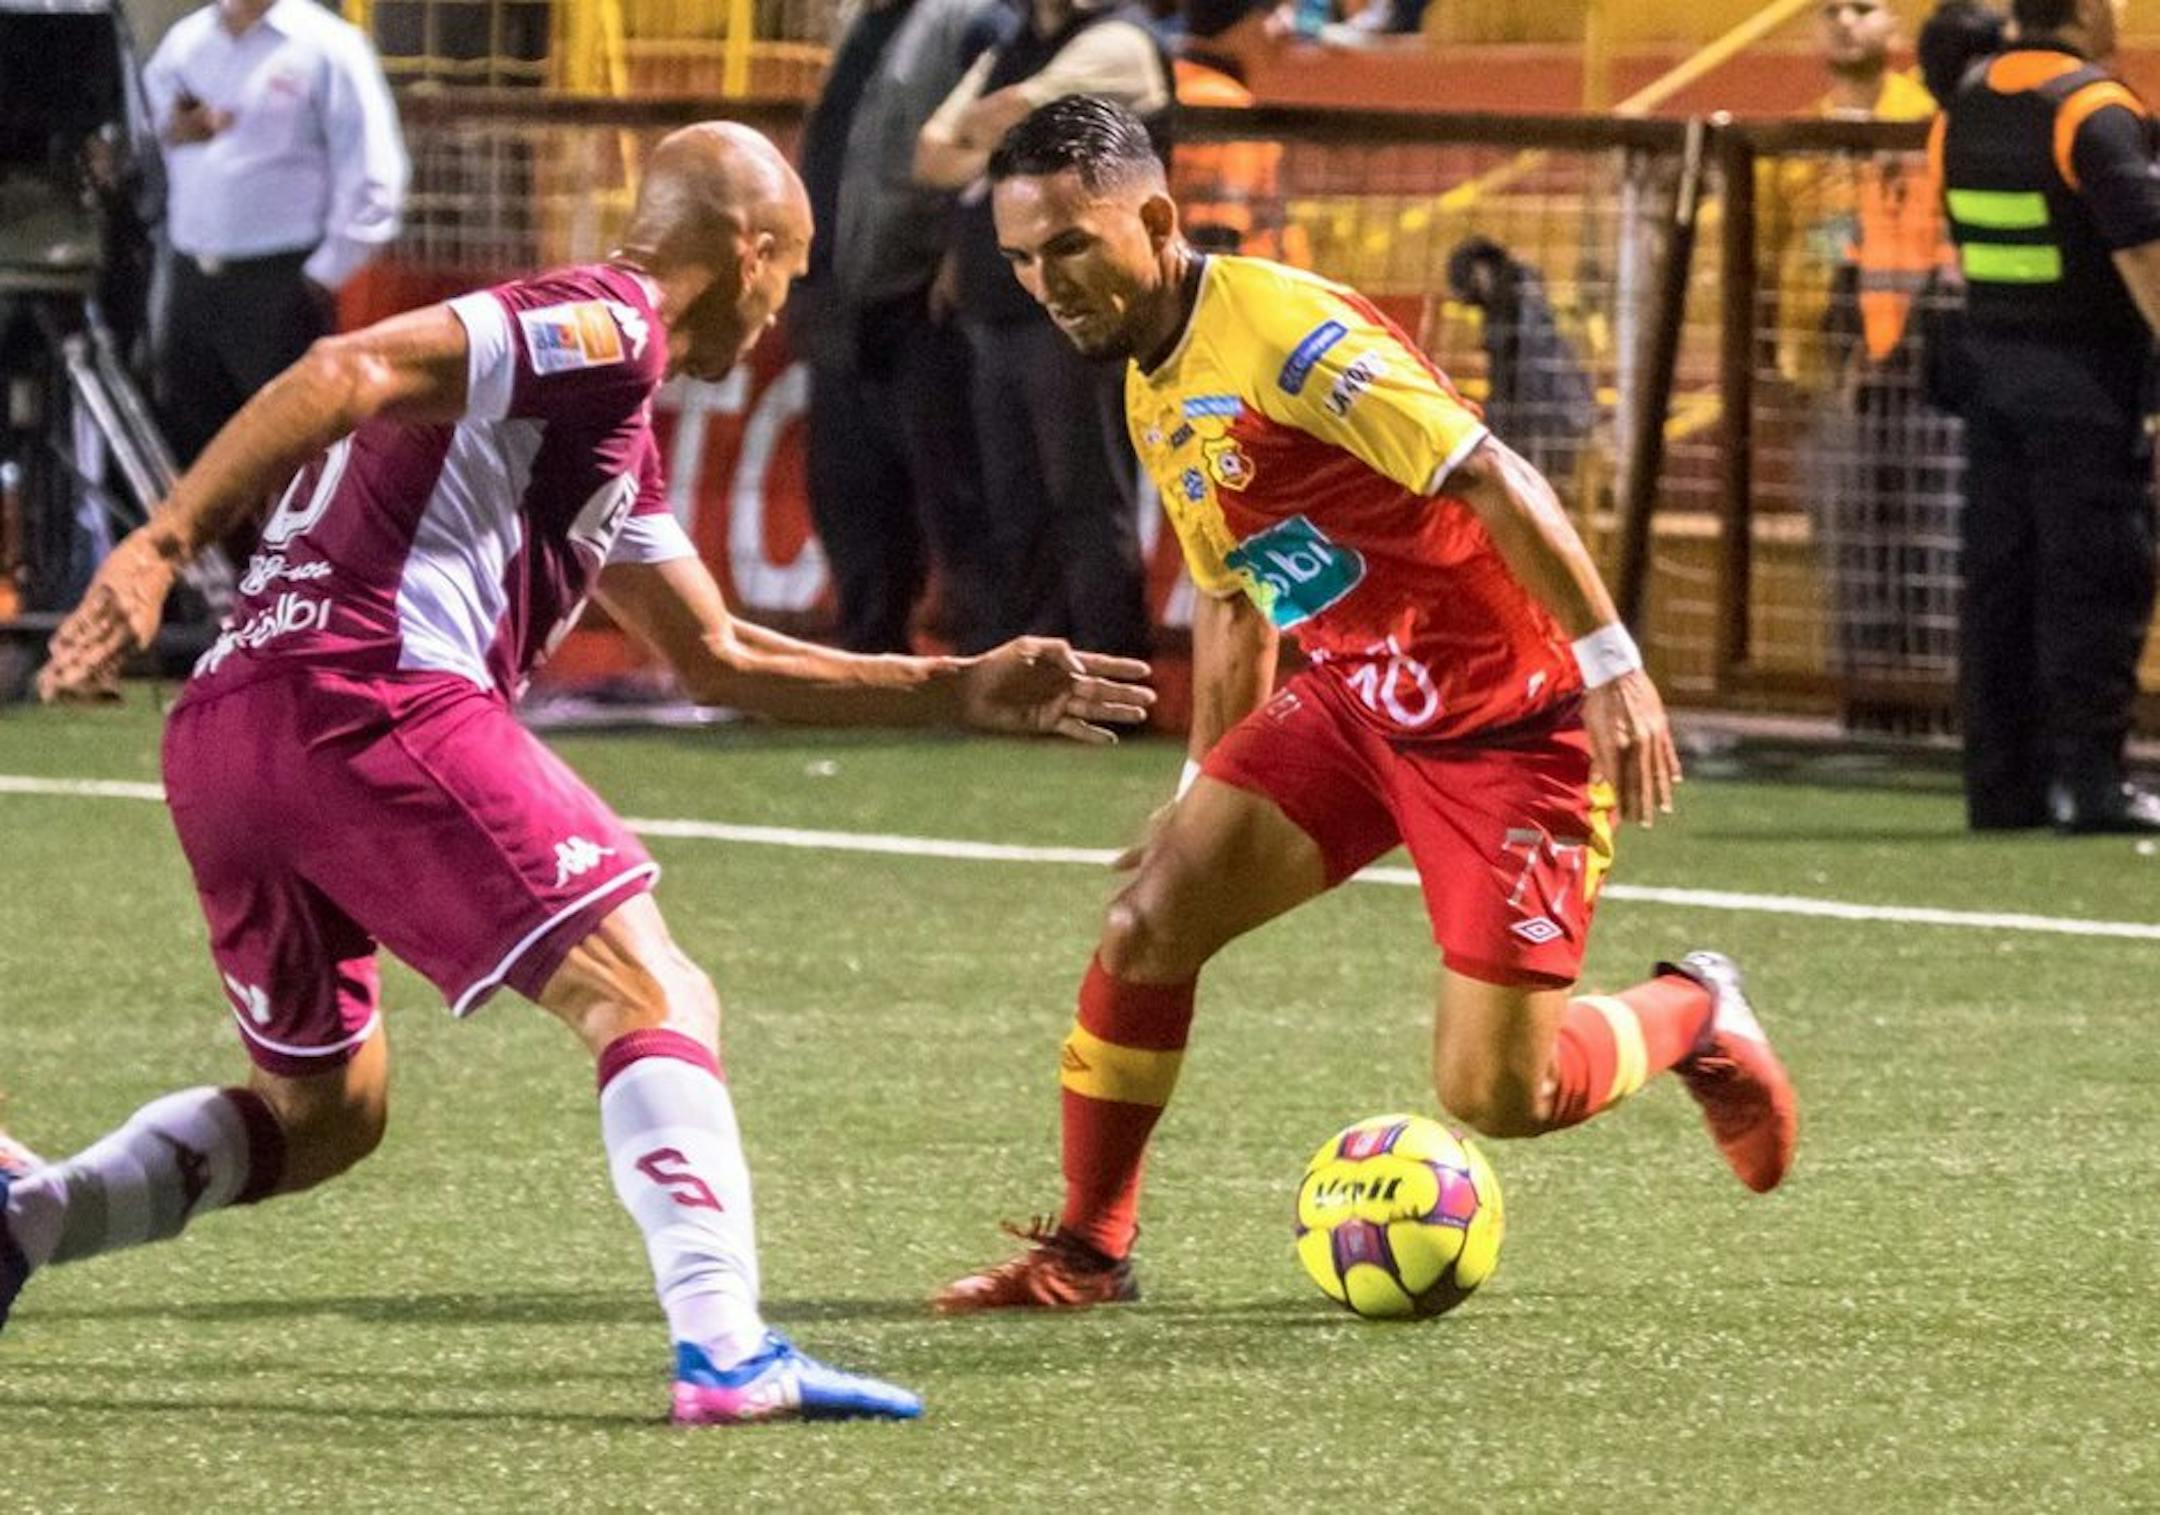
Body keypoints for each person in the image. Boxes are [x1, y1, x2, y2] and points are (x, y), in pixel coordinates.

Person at [1, 123, 1155, 1420]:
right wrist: (157, 541)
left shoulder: (596, 420)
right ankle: (726, 1348)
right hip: (364, 691)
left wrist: (948, 685)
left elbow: (714, 656)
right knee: (650, 987)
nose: (783, 312)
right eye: (792, 273)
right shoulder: (609, 324)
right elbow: (352, 360)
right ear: (753, 250)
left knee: (325, 1111)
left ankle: (30, 1214)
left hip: (229, 731)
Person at [933, 97, 1799, 1313]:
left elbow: (1492, 475)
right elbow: (1235, 602)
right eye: (1022, 259)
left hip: (1513, 729)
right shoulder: (1149, 376)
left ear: (1159, 219)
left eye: (1070, 248)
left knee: (1503, 1097)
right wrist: (1196, 794)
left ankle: (1694, 1009)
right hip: (1359, 706)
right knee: (1146, 925)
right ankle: (1088, 1248)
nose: (1046, 284)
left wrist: (1614, 663)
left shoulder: (1289, 338)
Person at [1934, 0, 2160, 832]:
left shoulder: (1966, 102)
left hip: (1993, 377)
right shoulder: (2093, 109)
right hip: (2087, 386)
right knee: (2094, 579)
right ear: (2090, 8)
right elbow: (2144, 257)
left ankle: (2001, 786)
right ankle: (2091, 783)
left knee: (2001, 583)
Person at [914, 0, 1174, 661]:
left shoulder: (1121, 38)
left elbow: (991, 121)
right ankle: (1039, 674)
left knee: (1087, 500)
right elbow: (929, 154)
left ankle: (1112, 676)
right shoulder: (1014, 45)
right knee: (1018, 505)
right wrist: (1001, 145)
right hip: (998, 311)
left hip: (1083, 315)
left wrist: (990, 140)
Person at [1765, 0, 1954, 736]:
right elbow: (1767, 258)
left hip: (1925, 377)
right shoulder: (1790, 147)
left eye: (1864, 8)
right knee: (1850, 551)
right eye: (1831, 11)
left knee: (1931, 546)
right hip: (1823, 376)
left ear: (1895, 27)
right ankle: (1865, 714)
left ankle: (1938, 709)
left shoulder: (1928, 124)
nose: (1846, 23)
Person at [795, 0, 1006, 654]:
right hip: (844, 301)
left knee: (957, 498)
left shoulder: (971, 18)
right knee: (849, 493)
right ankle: (869, 657)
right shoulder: (865, 26)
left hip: (923, 301)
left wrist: (962, 249)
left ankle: (987, 661)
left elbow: (1006, 139)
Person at [143, 0, 408, 480]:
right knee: (190, 458)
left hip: (280, 285)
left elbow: (374, 176)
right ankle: (210, 559)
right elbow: (146, 134)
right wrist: (177, 129)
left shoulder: (328, 45)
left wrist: (321, 275)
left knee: (292, 459)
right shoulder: (186, 42)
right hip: (192, 283)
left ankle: (294, 557)